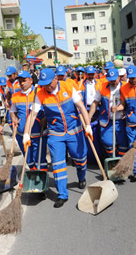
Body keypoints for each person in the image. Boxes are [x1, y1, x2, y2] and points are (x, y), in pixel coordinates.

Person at [23, 68, 93, 208]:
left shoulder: (68, 86)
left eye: (49, 83)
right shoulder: (40, 94)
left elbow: (81, 107)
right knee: (57, 164)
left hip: (74, 130)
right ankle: (62, 194)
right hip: (56, 133)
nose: (47, 86)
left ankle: (81, 176)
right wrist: (26, 133)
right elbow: (33, 115)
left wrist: (88, 125)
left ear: (55, 79)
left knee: (80, 158)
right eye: (44, 84)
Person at [10, 71, 47, 173]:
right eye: (20, 81)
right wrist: (13, 118)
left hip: (37, 132)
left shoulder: (39, 93)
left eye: (24, 80)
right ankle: (33, 174)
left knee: (39, 158)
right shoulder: (15, 96)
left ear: (31, 81)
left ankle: (41, 177)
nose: (22, 83)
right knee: (29, 158)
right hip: (22, 133)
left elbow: (48, 108)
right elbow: (12, 111)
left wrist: (45, 118)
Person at [88, 67, 128, 158]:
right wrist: (89, 117)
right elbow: (95, 103)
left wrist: (123, 110)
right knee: (107, 142)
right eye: (111, 80)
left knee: (123, 143)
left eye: (115, 80)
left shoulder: (125, 86)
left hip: (121, 120)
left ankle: (121, 161)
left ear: (119, 77)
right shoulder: (102, 87)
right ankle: (112, 158)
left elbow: (130, 103)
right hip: (107, 120)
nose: (113, 82)